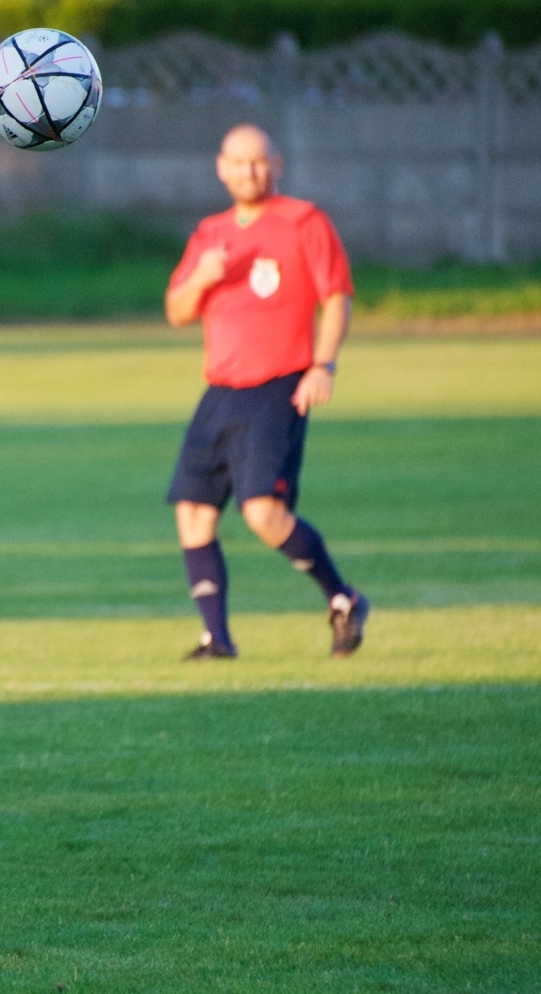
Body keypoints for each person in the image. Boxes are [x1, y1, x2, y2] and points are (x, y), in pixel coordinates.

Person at [163, 124, 368, 659]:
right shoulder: (210, 233)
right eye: (238, 162)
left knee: (262, 513)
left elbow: (337, 297)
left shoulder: (304, 221)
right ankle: (217, 639)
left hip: (278, 386)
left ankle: (343, 599)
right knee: (192, 512)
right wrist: (204, 277)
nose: (248, 171)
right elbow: (177, 311)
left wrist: (324, 364)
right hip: (220, 389)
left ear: (277, 165)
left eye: (259, 162)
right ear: (221, 168)